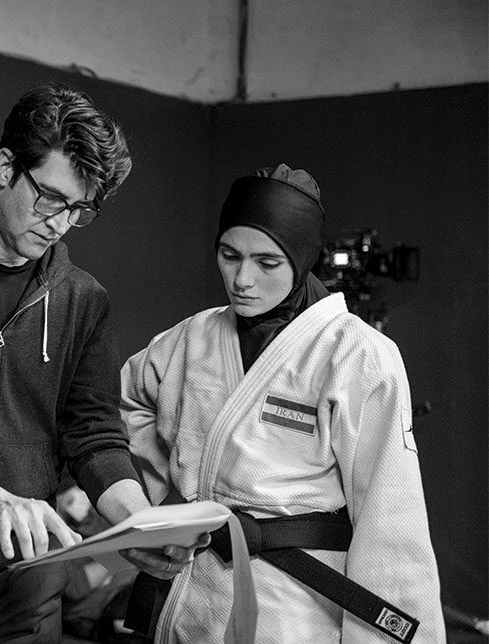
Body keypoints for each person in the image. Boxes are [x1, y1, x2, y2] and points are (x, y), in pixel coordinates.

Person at [0, 81, 203, 643]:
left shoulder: (84, 300)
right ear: (6, 166)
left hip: (28, 597)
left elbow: (94, 437)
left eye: (81, 210)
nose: (61, 222)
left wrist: (135, 524)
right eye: (51, 199)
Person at [121, 164, 446, 642]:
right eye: (229, 255)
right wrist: (162, 505)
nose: (242, 279)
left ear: (302, 258)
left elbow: (391, 519)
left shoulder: (356, 354)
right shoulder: (190, 339)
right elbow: (125, 407)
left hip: (292, 605)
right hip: (193, 591)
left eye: (266, 262)